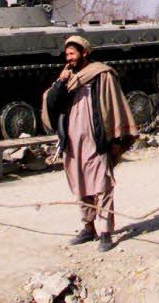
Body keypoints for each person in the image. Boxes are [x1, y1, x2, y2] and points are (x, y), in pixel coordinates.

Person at [41, 35, 138, 251]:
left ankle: (105, 231)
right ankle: (88, 227)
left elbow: (113, 107)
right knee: (81, 184)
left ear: (84, 53)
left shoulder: (101, 75)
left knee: (102, 184)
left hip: (96, 140)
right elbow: (52, 105)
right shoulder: (67, 78)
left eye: (72, 54)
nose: (69, 58)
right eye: (67, 55)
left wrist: (115, 139)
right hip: (73, 143)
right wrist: (60, 82)